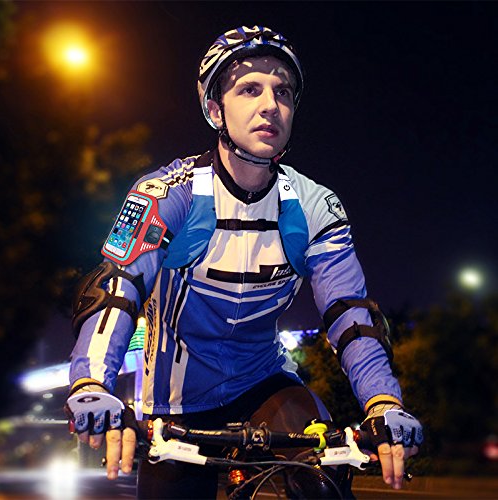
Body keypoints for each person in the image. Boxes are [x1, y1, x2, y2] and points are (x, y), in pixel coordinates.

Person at [67, 26, 422, 498]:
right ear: (215, 109)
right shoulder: (166, 193)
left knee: (323, 479)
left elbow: (349, 313)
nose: (271, 105)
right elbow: (118, 285)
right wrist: (92, 382)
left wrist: (383, 402)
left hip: (265, 385)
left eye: (283, 92)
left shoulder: (315, 205)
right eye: (250, 89)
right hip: (175, 400)